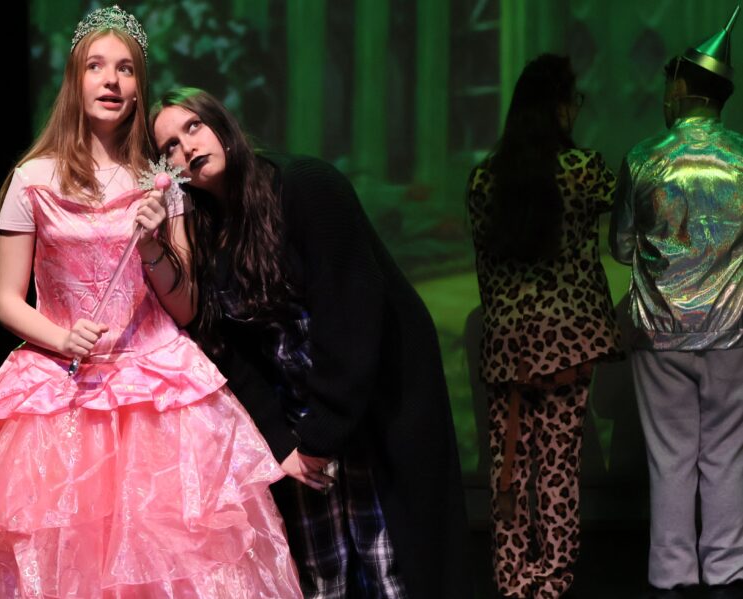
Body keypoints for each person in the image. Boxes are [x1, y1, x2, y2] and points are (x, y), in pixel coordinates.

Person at [0, 8, 302, 597]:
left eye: (125, 69)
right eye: (96, 66)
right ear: (75, 79)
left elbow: (185, 306)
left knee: (172, 558)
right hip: (58, 382)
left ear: (138, 87)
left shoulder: (159, 181)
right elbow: (5, 300)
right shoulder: (32, 178)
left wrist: (151, 245)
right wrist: (59, 337)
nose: (111, 80)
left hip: (156, 389)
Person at [151, 87, 470, 598]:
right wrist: (285, 444)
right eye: (168, 146)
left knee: (393, 567)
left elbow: (353, 313)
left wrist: (323, 435)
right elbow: (229, 351)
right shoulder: (203, 233)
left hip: (372, 409)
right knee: (324, 576)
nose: (185, 148)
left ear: (223, 126)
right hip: (301, 432)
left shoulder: (304, 186)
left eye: (193, 127)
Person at [466, 54, 621, 598]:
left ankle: (512, 578)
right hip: (568, 343)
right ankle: (551, 579)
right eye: (574, 100)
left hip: (507, 345)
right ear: (559, 106)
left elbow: (486, 268)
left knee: (509, 462)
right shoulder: (585, 170)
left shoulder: (484, 179)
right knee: (558, 466)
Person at [611, 8, 742, 597]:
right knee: (726, 455)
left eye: (669, 85)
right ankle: (725, 567)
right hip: (733, 333)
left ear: (684, 88)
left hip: (660, 335)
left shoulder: (642, 157)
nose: (664, 95)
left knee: (669, 459)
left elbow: (619, 247)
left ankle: (670, 571)